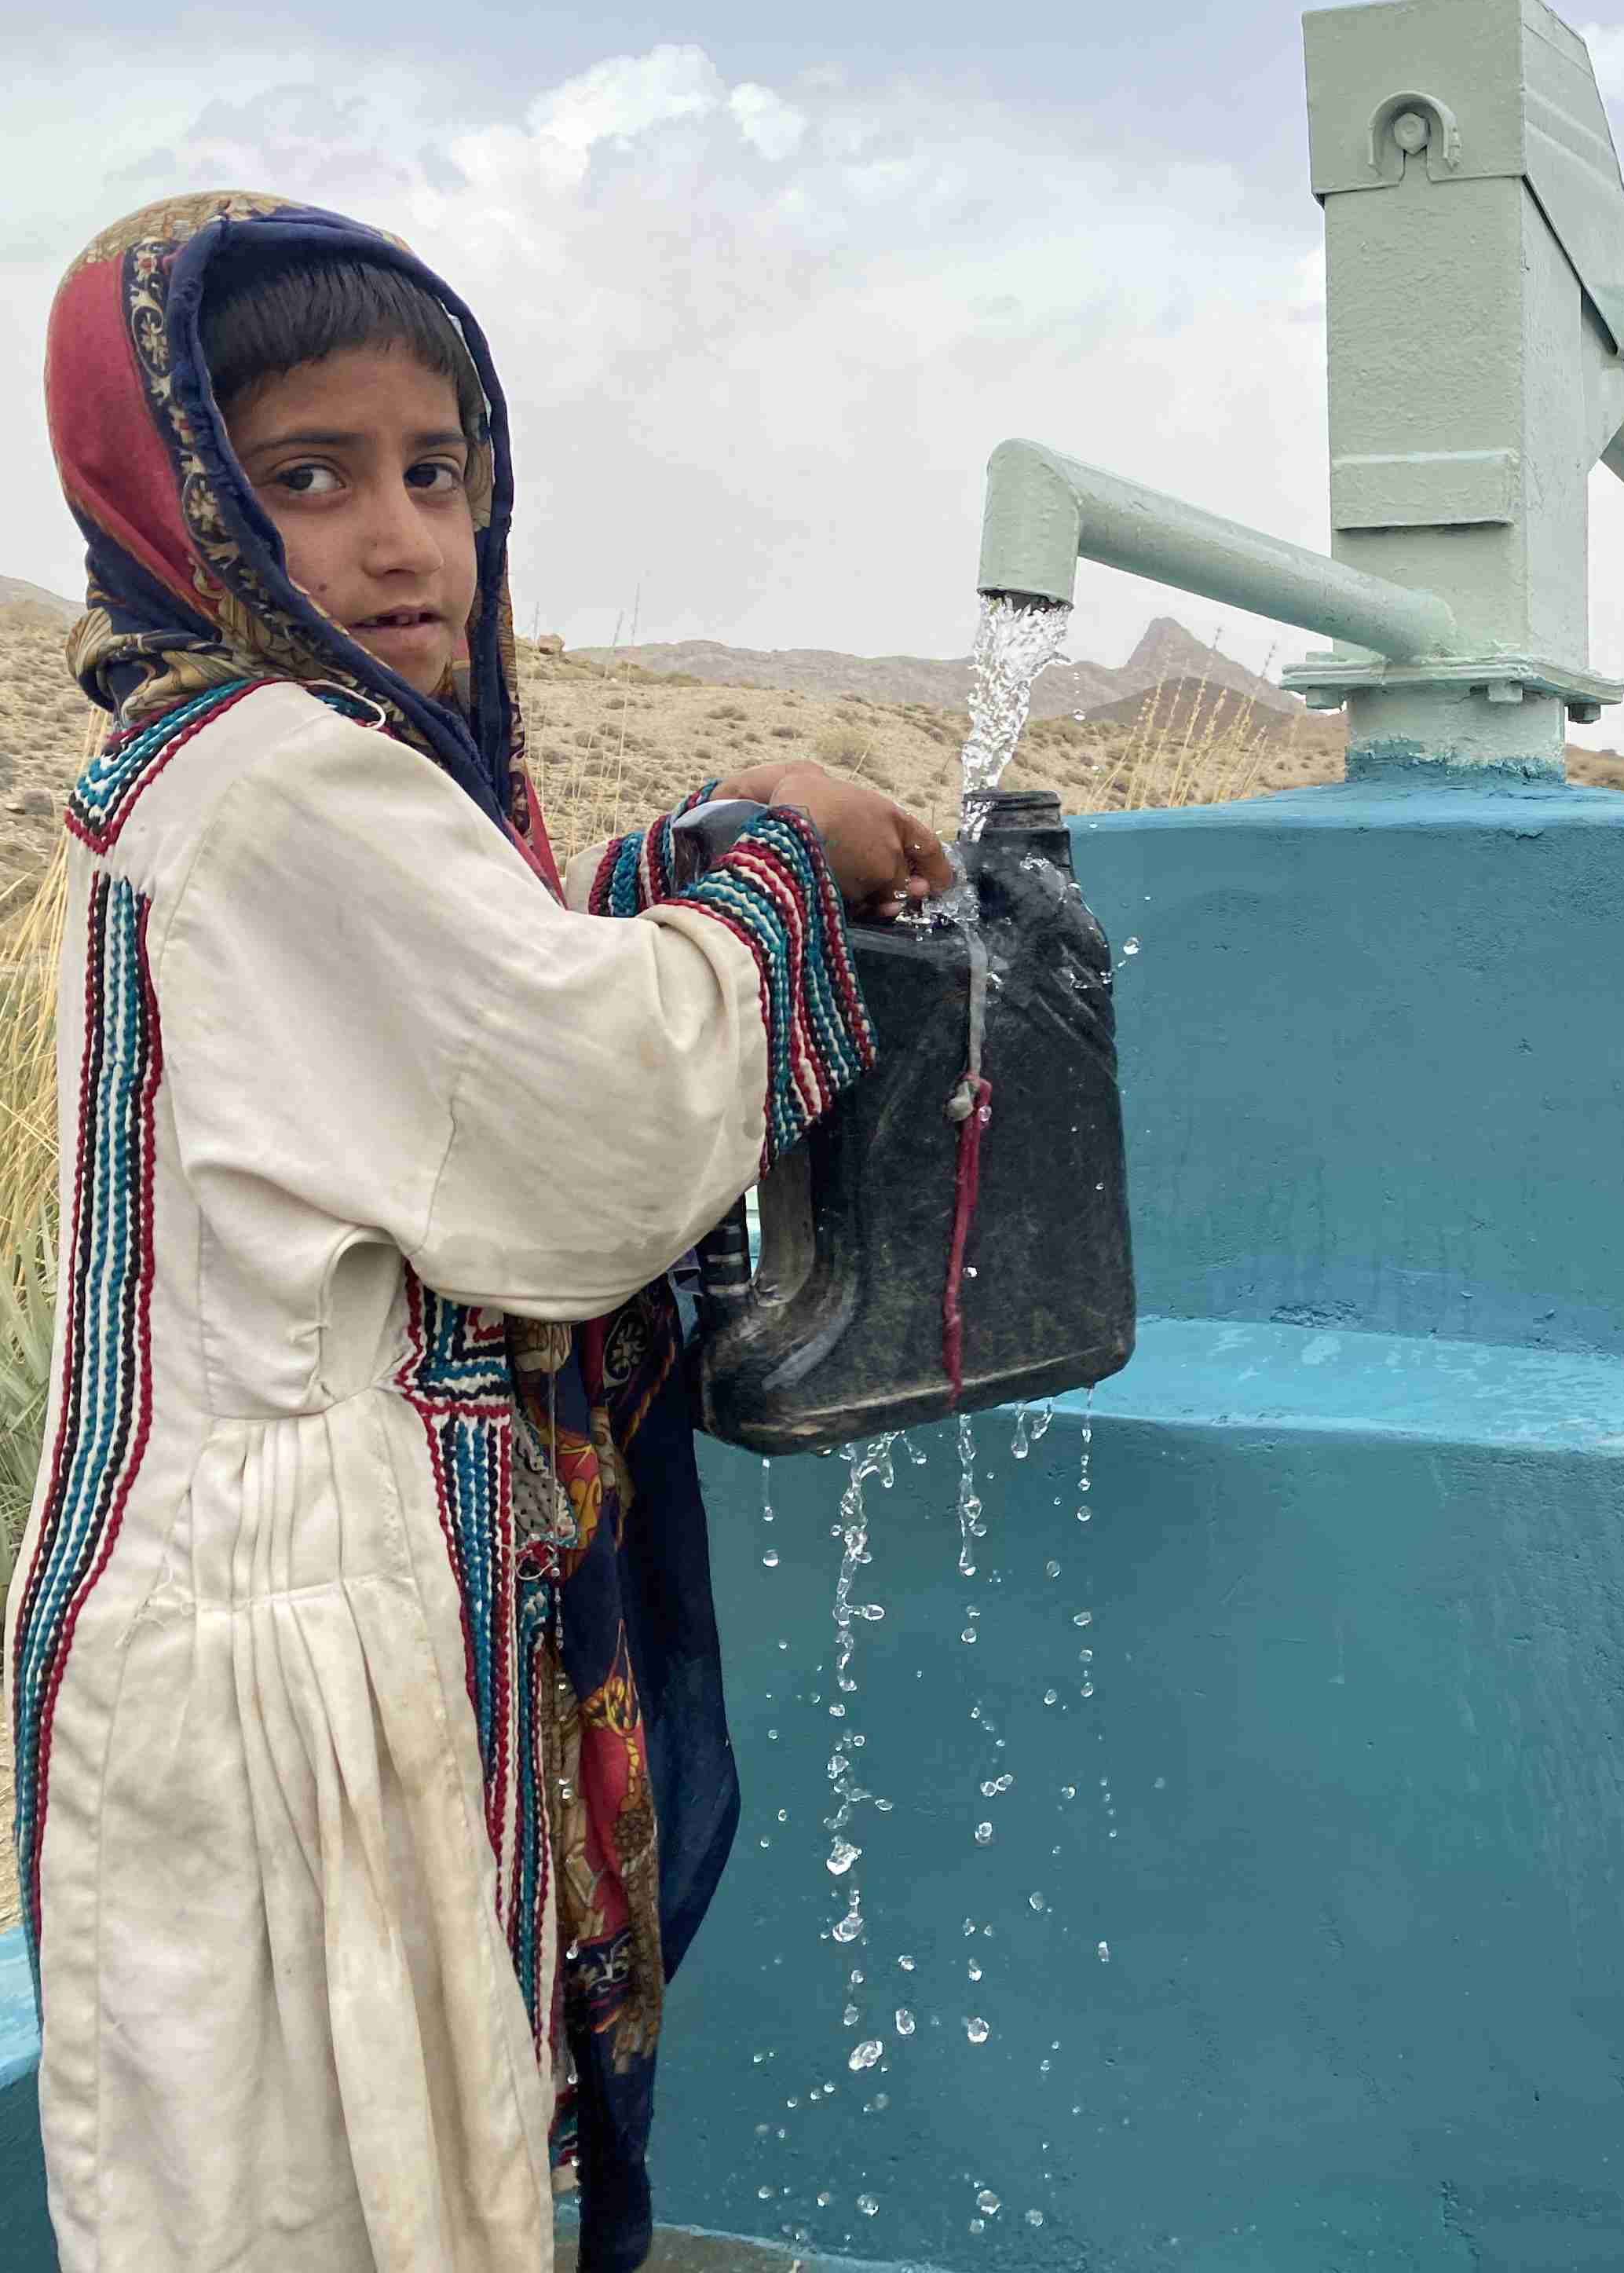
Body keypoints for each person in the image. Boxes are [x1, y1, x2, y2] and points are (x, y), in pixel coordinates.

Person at [13, 192, 949, 2272]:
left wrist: (677, 864)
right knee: (349, 2186)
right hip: (295, 1637)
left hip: (273, 1599)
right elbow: (583, 1128)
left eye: (436, 473)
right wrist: (777, 866)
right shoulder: (278, 782)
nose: (401, 541)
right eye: (308, 479)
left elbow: (475, 990)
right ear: (173, 497)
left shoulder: (251, 770)